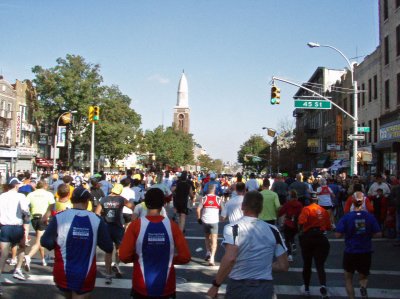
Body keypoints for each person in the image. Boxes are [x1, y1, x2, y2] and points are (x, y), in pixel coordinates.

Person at [207, 191, 289, 299]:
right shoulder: (273, 230)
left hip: (239, 286)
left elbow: (230, 258)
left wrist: (216, 285)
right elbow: (283, 266)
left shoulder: (233, 228)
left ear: (242, 206)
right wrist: (262, 265)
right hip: (264, 287)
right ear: (260, 208)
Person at [41, 185, 113, 298]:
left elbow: (45, 242)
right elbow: (108, 247)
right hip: (86, 272)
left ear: (72, 200)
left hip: (62, 270)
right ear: (87, 201)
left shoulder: (59, 217)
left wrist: (58, 243)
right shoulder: (96, 220)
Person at [119, 188, 191, 299]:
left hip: (141, 285)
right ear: (163, 204)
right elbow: (185, 257)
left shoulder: (135, 225)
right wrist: (169, 259)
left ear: (145, 203)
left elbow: (123, 256)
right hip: (167, 286)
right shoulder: (173, 226)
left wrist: (137, 258)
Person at [335, 193, 382, 299]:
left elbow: (337, 235)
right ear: (364, 201)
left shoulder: (346, 217)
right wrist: (367, 233)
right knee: (363, 276)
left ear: (352, 201)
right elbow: (378, 234)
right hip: (365, 250)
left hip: (351, 251)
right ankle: (363, 287)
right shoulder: (369, 217)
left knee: (348, 278)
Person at [95, 183, 133, 283]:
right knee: (119, 249)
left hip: (106, 227)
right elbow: (132, 207)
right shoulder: (121, 199)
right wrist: (129, 219)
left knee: (108, 251)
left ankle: (108, 275)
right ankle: (116, 264)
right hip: (118, 227)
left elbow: (97, 214)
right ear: (120, 191)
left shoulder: (103, 199)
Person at [298, 192, 332, 298]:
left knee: (307, 264)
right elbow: (328, 226)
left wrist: (301, 232)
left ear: (309, 200)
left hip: (308, 236)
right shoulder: (323, 210)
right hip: (320, 237)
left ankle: (307, 288)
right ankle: (323, 285)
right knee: (320, 265)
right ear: (318, 200)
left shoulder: (306, 209)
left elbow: (301, 222)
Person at [0, 177, 30, 287]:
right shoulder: (20, 196)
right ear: (16, 185)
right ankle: (17, 269)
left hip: (4, 227)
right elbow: (25, 210)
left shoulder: (2, 196)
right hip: (17, 226)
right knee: (22, 247)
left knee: (3, 254)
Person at [24, 180, 55, 270]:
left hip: (34, 218)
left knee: (39, 238)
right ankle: (28, 256)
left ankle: (43, 259)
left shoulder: (31, 194)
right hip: (44, 218)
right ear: (45, 186)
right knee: (39, 241)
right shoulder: (48, 194)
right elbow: (52, 206)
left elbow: (25, 205)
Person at [197, 184, 222, 266]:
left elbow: (198, 209)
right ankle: (212, 258)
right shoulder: (218, 199)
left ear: (207, 190)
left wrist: (199, 218)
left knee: (207, 237)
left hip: (205, 220)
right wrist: (221, 217)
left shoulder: (204, 198)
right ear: (214, 190)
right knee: (214, 239)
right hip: (214, 221)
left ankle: (208, 251)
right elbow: (223, 210)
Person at [278, 190, 303, 262]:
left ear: (290, 197)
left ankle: (289, 255)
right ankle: (293, 244)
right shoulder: (300, 204)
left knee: (287, 239)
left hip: (288, 223)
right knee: (292, 236)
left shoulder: (287, 204)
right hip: (296, 223)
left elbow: (281, 212)